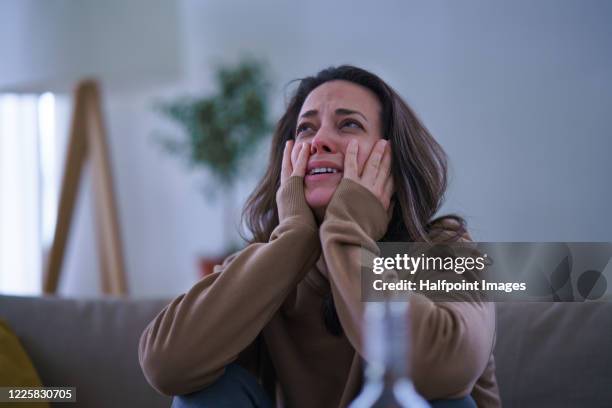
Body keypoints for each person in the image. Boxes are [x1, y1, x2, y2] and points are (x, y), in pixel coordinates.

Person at [138, 65, 500, 408]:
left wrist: (347, 233)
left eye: (348, 125)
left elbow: (441, 370)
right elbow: (166, 365)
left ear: (389, 157)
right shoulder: (270, 260)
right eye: (307, 129)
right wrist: (295, 237)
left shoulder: (446, 247)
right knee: (205, 394)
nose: (319, 140)